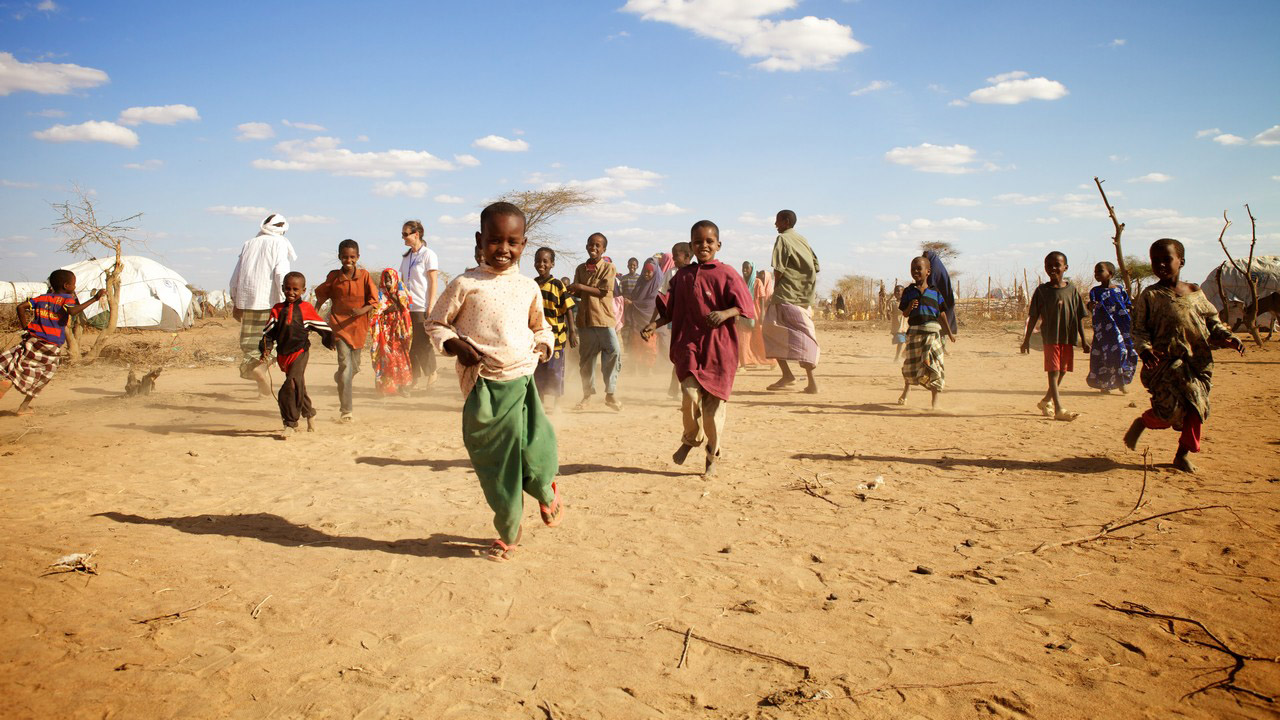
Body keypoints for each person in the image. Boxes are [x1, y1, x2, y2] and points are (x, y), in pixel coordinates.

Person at [426, 202, 563, 562]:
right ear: (480, 240)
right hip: (483, 383)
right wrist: (456, 346)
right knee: (495, 461)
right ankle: (509, 528)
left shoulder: (527, 286)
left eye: (513, 242)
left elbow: (541, 326)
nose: (504, 249)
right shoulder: (465, 283)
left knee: (535, 448)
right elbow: (436, 323)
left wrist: (544, 345)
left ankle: (546, 491)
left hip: (521, 377)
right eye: (495, 241)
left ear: (524, 244)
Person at [642, 220, 754, 478]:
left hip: (719, 349)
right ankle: (691, 438)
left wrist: (725, 313)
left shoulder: (727, 273)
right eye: (698, 241)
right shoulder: (683, 276)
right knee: (689, 396)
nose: (704, 245)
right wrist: (653, 325)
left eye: (709, 241)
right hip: (690, 346)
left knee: (714, 411)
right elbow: (670, 312)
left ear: (718, 245)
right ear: (691, 246)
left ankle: (711, 455)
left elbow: (745, 306)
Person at [1123, 238, 1244, 473]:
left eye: (1166, 259)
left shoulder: (1195, 292)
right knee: (1169, 413)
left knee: (1197, 408)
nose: (1160, 265)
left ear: (1181, 261)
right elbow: (1138, 329)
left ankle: (1182, 454)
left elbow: (1212, 321)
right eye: (1155, 261)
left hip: (1196, 363)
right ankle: (1144, 421)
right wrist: (1145, 350)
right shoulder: (1150, 295)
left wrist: (1227, 337)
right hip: (1163, 364)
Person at [0, 269, 104, 415]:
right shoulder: (67, 299)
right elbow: (73, 312)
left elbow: (20, 307)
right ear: (67, 285)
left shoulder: (42, 298)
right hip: (50, 344)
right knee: (46, 374)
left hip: (33, 340)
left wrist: (26, 328)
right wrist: (95, 299)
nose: (75, 287)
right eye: (74, 285)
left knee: (17, 364)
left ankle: (8, 381)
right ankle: (24, 406)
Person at [258, 272, 334, 437]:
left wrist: (330, 341)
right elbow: (268, 333)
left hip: (300, 353)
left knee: (290, 385)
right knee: (299, 386)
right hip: (283, 355)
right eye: (287, 289)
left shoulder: (306, 309)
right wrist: (266, 349)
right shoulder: (277, 309)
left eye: (295, 289)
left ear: (303, 290)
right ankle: (310, 413)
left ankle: (290, 424)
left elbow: (322, 327)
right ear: (283, 288)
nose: (291, 292)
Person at [229, 213, 296, 395]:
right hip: (271, 302)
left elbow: (236, 275)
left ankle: (261, 387)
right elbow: (281, 273)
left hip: (248, 301)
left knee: (252, 344)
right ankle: (263, 369)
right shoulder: (280, 244)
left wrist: (236, 301)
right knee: (275, 341)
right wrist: (288, 299)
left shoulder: (249, 243)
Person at [313, 239, 378, 422]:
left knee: (353, 367)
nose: (348, 260)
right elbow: (321, 296)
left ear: (357, 257)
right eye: (344, 257)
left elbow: (373, 301)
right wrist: (312, 317)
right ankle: (346, 411)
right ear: (339, 257)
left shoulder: (364, 276)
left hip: (359, 327)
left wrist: (362, 310)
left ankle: (340, 377)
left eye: (352, 257)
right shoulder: (334, 277)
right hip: (339, 325)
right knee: (346, 365)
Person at [1021, 251, 1089, 421]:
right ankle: (1059, 408)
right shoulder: (1042, 291)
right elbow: (1034, 316)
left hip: (1068, 337)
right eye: (1048, 265)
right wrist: (1026, 340)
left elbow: (1079, 316)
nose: (1053, 268)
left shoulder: (1072, 290)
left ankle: (1046, 401)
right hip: (1050, 337)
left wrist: (1084, 340)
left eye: (1057, 265)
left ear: (1065, 267)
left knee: (1062, 371)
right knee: (1053, 372)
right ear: (1044, 268)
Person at [763, 210, 820, 393]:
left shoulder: (783, 240)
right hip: (804, 297)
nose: (775, 225)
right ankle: (811, 382)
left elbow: (778, 269)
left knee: (771, 331)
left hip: (786, 295)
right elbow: (816, 266)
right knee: (805, 335)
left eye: (778, 221)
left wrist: (775, 291)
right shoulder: (802, 239)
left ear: (786, 222)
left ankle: (788, 375)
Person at [568, 233, 622, 411]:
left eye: (598, 245)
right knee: (586, 360)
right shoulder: (580, 269)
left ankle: (610, 394)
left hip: (604, 319)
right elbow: (577, 292)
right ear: (586, 246)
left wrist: (580, 287)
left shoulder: (608, 267)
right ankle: (587, 396)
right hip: (585, 320)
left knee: (613, 352)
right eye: (591, 245)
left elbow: (603, 291)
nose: (594, 248)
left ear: (604, 249)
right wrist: (572, 290)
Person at [899, 256, 957, 408]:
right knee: (910, 366)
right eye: (913, 269)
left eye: (919, 268)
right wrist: (910, 307)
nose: (915, 271)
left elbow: (942, 314)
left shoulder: (935, 292)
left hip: (933, 333)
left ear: (928, 272)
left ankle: (934, 402)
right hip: (915, 333)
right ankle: (906, 390)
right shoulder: (908, 291)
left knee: (935, 365)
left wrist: (950, 333)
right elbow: (905, 314)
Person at [533, 247, 577, 409]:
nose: (541, 264)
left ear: (552, 264)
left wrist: (572, 331)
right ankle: (541, 402)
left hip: (557, 337)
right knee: (539, 371)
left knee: (555, 371)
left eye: (545, 261)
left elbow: (568, 309)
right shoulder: (533, 285)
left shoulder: (558, 285)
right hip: (536, 338)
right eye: (538, 261)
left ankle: (557, 403)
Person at [399, 219, 439, 391]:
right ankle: (413, 377)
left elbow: (433, 282)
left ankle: (430, 372)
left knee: (421, 342)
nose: (404, 238)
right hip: (407, 306)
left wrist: (430, 305)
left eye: (406, 234)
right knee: (410, 344)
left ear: (417, 234)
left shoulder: (428, 254)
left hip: (422, 306)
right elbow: (401, 281)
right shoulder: (407, 257)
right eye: (402, 235)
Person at [1086, 261, 1137, 394]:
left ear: (1110, 273)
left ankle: (1122, 381)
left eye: (1100, 271)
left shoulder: (1119, 289)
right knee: (1104, 355)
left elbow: (1127, 304)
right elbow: (1090, 306)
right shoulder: (1095, 291)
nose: (1096, 274)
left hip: (1120, 328)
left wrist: (1131, 309)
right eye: (1095, 272)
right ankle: (1105, 384)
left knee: (1122, 351)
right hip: (1103, 331)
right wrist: (1091, 306)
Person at [370, 269, 414, 396]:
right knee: (385, 358)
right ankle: (385, 388)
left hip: (399, 333)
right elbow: (375, 312)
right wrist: (387, 310)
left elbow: (406, 307)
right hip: (384, 334)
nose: (388, 282)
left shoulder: (401, 292)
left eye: (390, 279)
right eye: (386, 279)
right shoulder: (380, 295)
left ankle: (404, 387)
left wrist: (396, 300)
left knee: (400, 358)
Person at [626, 257, 663, 374]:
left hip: (650, 320)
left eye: (649, 272)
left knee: (649, 346)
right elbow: (634, 297)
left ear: (655, 272)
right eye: (644, 271)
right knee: (636, 345)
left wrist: (633, 303)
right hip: (637, 321)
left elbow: (651, 302)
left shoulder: (658, 285)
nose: (646, 274)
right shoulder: (640, 283)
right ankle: (636, 367)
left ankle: (648, 368)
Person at [737, 261, 766, 368]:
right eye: (743, 268)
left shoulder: (757, 282)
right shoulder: (741, 282)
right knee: (743, 337)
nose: (745, 270)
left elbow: (762, 298)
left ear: (752, 269)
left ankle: (770, 360)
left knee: (759, 339)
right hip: (744, 313)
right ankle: (745, 362)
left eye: (747, 268)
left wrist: (762, 313)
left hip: (756, 313)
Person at [751, 269, 775, 368]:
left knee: (764, 340)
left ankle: (772, 361)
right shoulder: (756, 286)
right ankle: (756, 359)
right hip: (756, 316)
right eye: (759, 274)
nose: (760, 277)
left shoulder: (771, 292)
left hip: (767, 318)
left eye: (763, 275)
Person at [889, 284, 907, 361]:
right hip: (898, 326)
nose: (898, 293)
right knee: (900, 341)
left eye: (900, 291)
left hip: (906, 325)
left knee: (908, 342)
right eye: (896, 291)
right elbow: (889, 312)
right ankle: (897, 356)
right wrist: (888, 314)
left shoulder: (907, 302)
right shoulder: (892, 303)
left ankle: (903, 354)